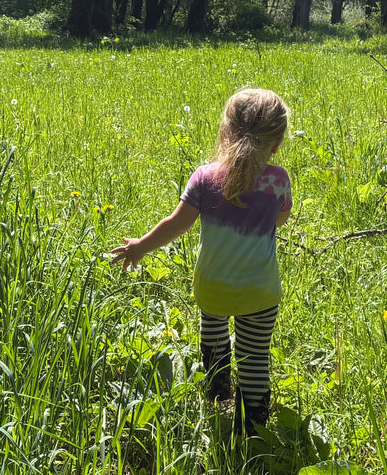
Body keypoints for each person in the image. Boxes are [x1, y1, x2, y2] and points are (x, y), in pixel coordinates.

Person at [111, 88, 291, 435]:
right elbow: (279, 220)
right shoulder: (278, 181)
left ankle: (217, 390)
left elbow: (175, 225)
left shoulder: (205, 178)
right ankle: (252, 429)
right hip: (260, 291)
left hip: (212, 286)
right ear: (276, 143)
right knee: (254, 359)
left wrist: (139, 247)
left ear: (225, 133)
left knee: (212, 335)